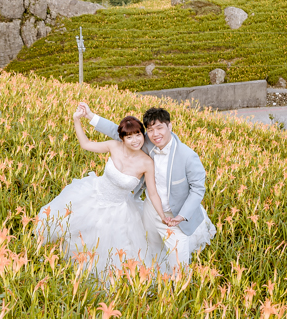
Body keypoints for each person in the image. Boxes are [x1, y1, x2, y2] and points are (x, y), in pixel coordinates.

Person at [36, 107, 171, 279]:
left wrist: (162, 216)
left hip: (118, 210)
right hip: (92, 194)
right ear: (122, 138)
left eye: (138, 135)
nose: (135, 140)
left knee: (109, 249)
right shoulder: (113, 146)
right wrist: (77, 119)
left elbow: (152, 193)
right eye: (129, 137)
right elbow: (85, 144)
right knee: (73, 231)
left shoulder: (147, 163)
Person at [77, 102, 215, 269]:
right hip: (151, 207)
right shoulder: (145, 142)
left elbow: (198, 190)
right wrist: (90, 115)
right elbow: (118, 131)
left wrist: (181, 216)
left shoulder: (188, 156)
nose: (155, 134)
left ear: (169, 126)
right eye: (150, 130)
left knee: (179, 258)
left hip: (175, 214)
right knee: (150, 245)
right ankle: (156, 276)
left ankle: (177, 289)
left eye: (159, 128)